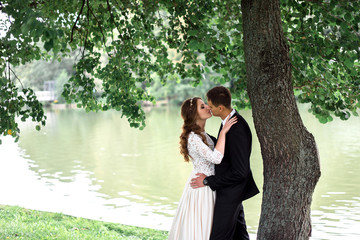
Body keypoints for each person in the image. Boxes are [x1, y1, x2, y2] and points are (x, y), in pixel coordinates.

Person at [191, 86, 260, 240]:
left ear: (220, 108)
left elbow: (240, 172)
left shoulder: (237, 128)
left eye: (210, 105)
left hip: (231, 192)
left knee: (218, 236)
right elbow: (227, 152)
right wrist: (199, 137)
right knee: (239, 235)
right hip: (231, 190)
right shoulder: (228, 122)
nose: (208, 108)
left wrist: (208, 180)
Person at [168, 97, 237, 240]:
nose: (207, 107)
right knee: (201, 226)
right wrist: (224, 132)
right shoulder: (193, 138)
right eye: (202, 107)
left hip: (209, 184)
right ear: (194, 114)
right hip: (202, 188)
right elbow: (216, 158)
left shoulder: (203, 135)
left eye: (205, 105)